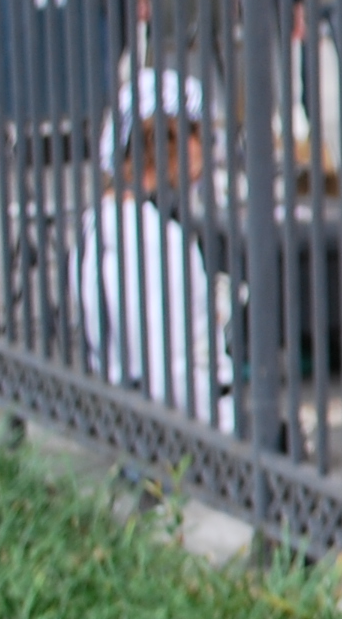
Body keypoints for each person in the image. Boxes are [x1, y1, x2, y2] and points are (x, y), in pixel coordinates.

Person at [76, 68, 234, 432]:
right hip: (189, 430)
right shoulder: (157, 239)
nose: (210, 150)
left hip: (125, 417)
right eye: (203, 136)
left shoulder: (98, 223)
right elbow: (172, 371)